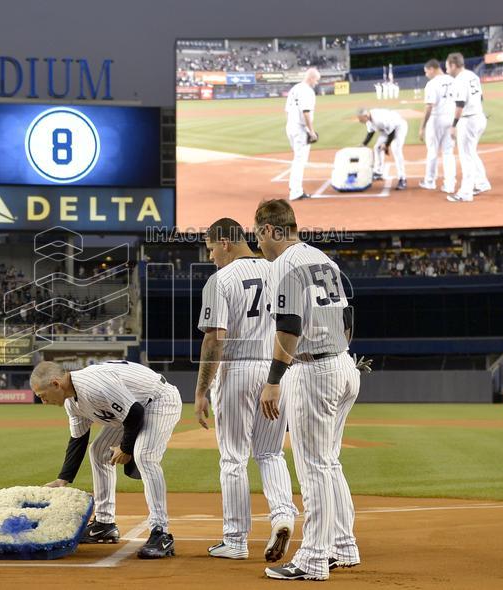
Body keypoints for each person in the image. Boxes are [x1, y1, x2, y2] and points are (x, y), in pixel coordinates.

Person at [254, 199, 362, 581]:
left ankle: (313, 559)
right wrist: (337, 351)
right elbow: (347, 317)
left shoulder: (283, 264)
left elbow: (288, 327)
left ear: (269, 230)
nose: (259, 244)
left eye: (258, 235)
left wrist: (272, 381)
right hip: (344, 365)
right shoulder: (323, 258)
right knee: (330, 462)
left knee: (314, 466)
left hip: (314, 370)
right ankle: (343, 545)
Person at [194, 218, 298, 562]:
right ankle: (283, 516)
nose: (210, 256)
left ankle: (236, 540)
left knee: (234, 458)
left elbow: (213, 339)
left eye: (210, 248)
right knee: (270, 453)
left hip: (237, 369)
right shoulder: (278, 270)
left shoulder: (221, 279)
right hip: (275, 372)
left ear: (225, 242)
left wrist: (201, 390)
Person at [32, 359, 182, 560]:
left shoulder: (92, 386)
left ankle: (160, 532)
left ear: (56, 384)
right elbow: (78, 438)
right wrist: (63, 479)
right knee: (98, 451)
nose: (43, 401)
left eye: (42, 396)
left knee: (144, 456)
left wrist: (126, 449)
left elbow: (135, 413)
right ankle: (104, 524)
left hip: (158, 400)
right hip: (131, 408)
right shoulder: (72, 402)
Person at [445, 52, 491, 202]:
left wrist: (453, 125)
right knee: (471, 152)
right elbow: (481, 98)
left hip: (468, 121)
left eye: (447, 66)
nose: (446, 69)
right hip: (479, 117)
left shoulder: (459, 80)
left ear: (453, 65)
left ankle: (465, 193)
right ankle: (482, 182)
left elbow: (460, 104)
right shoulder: (472, 75)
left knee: (466, 157)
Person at [418, 59, 456, 193]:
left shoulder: (432, 84)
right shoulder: (453, 80)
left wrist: (422, 127)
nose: (426, 74)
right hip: (451, 118)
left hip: (436, 119)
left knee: (433, 151)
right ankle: (450, 185)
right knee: (448, 153)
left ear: (432, 69)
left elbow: (429, 106)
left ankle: (429, 181)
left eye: (426, 71)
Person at [285, 68, 321, 200]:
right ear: (311, 78)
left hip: (290, 126)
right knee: (300, 160)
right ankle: (296, 191)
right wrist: (311, 131)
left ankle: (292, 186)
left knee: (297, 158)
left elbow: (287, 111)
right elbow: (306, 112)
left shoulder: (295, 88)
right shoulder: (307, 91)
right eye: (316, 80)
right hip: (300, 129)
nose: (316, 83)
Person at [358, 108, 408, 189]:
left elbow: (392, 132)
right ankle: (378, 172)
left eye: (360, 118)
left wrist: (386, 145)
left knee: (396, 148)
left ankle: (402, 178)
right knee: (377, 148)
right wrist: (364, 144)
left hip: (399, 127)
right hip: (387, 130)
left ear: (365, 116)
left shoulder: (379, 119)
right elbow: (370, 132)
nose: (359, 120)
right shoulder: (369, 120)